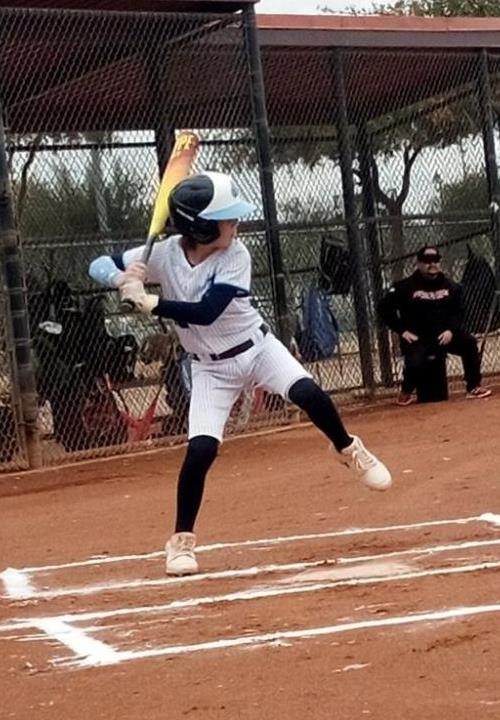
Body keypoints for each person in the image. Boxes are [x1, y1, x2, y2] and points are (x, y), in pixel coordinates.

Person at [89, 171, 392, 576]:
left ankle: (347, 448)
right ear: (201, 227)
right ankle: (181, 542)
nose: (236, 224)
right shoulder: (162, 255)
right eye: (226, 218)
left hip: (256, 349)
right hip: (210, 368)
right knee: (200, 452)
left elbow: (207, 311)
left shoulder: (236, 254)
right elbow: (98, 264)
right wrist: (121, 278)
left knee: (308, 393)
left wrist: (148, 302)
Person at [378, 244, 492, 406]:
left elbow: (458, 312)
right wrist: (402, 331)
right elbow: (383, 309)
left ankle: (474, 386)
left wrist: (451, 330)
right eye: (427, 260)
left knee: (469, 343)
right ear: (418, 263)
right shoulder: (404, 287)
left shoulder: (451, 286)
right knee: (415, 362)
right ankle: (406, 391)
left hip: (443, 336)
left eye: (435, 260)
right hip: (418, 338)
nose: (432, 264)